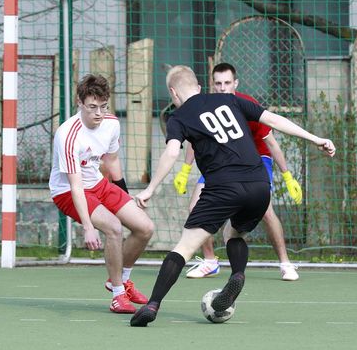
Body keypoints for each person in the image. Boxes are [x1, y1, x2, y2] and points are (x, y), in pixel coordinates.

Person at [129, 65, 335, 327]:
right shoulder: (231, 100)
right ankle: (237, 274)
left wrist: (150, 189)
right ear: (199, 87)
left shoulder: (178, 117)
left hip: (223, 187)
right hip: (259, 184)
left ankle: (152, 304)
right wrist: (315, 138)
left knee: (184, 247)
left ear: (173, 93)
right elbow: (273, 120)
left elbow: (171, 152)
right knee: (233, 234)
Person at [173, 62, 302, 281]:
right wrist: (185, 170)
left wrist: (287, 175)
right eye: (218, 83)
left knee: (266, 210)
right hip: (222, 161)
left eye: (227, 83)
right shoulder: (204, 105)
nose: (222, 88)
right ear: (212, 85)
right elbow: (195, 142)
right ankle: (210, 262)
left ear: (236, 83)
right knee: (195, 206)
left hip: (256, 159)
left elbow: (271, 142)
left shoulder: (246, 104)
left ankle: (285, 263)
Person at [49, 74, 154, 314]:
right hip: (67, 191)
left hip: (97, 183)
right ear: (79, 103)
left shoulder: (111, 123)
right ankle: (117, 295)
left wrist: (125, 196)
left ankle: (121, 280)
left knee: (145, 228)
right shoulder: (67, 135)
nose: (98, 113)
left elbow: (112, 160)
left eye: (103, 106)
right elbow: (76, 186)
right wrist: (88, 227)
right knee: (114, 228)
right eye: (92, 107)